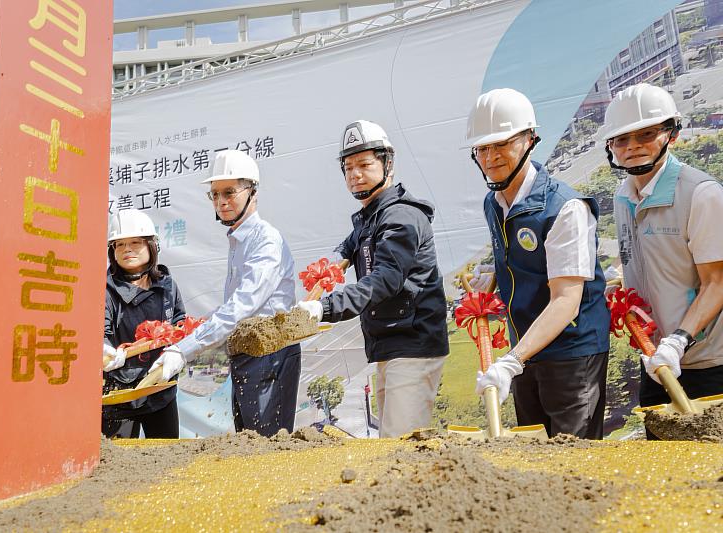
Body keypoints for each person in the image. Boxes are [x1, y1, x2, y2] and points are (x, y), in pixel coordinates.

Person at [467, 88, 610, 439]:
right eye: (482, 148)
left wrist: (512, 361)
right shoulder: (493, 202)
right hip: (525, 351)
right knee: (534, 450)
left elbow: (566, 300)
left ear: (530, 140)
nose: (491, 156)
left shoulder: (565, 207)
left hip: (571, 353)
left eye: (502, 143)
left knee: (573, 457)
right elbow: (523, 263)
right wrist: (493, 276)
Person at [299, 120, 450, 438]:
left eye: (364, 164)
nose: (354, 174)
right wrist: (316, 287)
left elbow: (385, 280)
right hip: (391, 348)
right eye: (348, 166)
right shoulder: (369, 220)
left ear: (388, 163)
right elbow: (342, 255)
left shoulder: (401, 217)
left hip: (412, 347)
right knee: (392, 444)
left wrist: (324, 308)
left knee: (400, 445)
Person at [151, 150, 300, 437]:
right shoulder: (239, 240)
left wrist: (184, 350)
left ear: (252, 192)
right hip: (247, 352)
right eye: (215, 194)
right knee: (247, 441)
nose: (221, 202)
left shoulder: (265, 240)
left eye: (229, 192)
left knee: (266, 448)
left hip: (271, 354)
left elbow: (243, 306)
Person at [602, 83, 723, 430]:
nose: (633, 147)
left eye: (647, 134)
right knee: (663, 470)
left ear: (671, 134)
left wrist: (679, 340)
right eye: (621, 140)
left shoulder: (701, 194)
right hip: (655, 362)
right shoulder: (622, 198)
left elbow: (716, 283)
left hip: (707, 363)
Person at [102, 209, 186, 438]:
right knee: (116, 462)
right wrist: (105, 350)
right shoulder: (105, 290)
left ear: (151, 246)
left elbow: (179, 322)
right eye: (119, 244)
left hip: (160, 387)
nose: (127, 249)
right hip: (118, 394)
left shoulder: (167, 285)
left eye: (135, 242)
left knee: (166, 456)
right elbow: (100, 333)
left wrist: (178, 350)